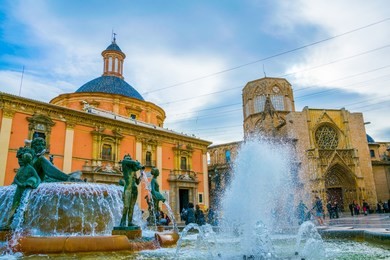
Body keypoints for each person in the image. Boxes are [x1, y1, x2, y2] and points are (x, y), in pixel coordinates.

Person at [2, 152, 41, 229]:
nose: (22, 159)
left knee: (24, 206)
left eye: (24, 158)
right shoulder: (21, 169)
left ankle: (24, 225)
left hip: (26, 190)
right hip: (19, 189)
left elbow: (38, 178)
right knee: (15, 205)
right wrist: (19, 183)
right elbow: (15, 179)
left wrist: (35, 185)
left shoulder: (31, 169)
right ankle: (8, 224)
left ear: (27, 159)